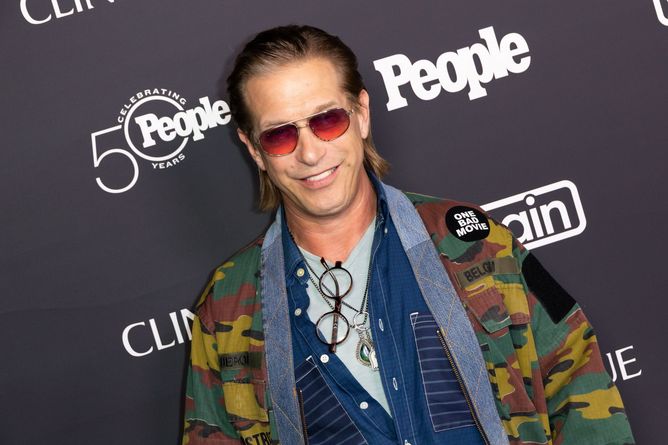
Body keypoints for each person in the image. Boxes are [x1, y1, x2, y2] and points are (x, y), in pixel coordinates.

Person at [182, 25, 635, 445]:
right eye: (280, 135)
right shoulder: (227, 304)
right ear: (254, 150)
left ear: (361, 114)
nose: (310, 153)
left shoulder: (471, 241)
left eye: (327, 120)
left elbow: (575, 378)